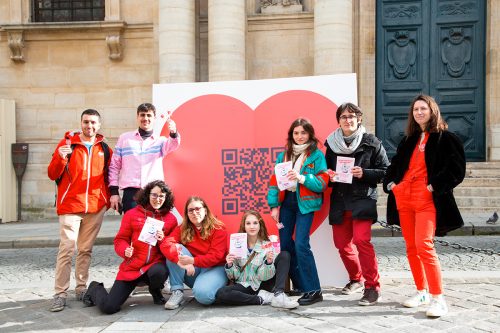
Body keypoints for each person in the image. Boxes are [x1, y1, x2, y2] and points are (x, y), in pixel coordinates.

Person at [383, 94, 466, 317]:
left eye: (423, 108)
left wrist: (433, 186)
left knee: (424, 246)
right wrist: (391, 184)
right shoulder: (408, 139)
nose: (419, 112)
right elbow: (394, 164)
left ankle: (438, 298)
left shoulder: (446, 138)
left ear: (432, 111)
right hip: (404, 198)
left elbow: (457, 171)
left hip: (427, 199)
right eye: (416, 109)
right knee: (411, 247)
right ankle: (422, 292)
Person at [47, 109, 113, 312]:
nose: (89, 126)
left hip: (95, 207)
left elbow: (109, 177)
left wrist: (106, 200)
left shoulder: (104, 148)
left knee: (85, 250)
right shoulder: (67, 144)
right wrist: (60, 158)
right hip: (70, 206)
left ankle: (81, 288)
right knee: (66, 249)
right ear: (81, 123)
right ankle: (60, 293)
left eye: (93, 122)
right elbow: (52, 174)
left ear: (99, 125)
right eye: (86, 122)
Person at [324, 103, 389, 306]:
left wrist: (365, 173)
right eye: (343, 116)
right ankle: (356, 279)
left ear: (359, 119)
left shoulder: (372, 142)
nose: (348, 120)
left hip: (362, 199)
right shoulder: (331, 144)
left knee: (362, 241)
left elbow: (386, 171)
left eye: (352, 116)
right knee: (342, 245)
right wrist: (329, 176)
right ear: (339, 120)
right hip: (340, 200)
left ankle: (372, 287)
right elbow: (325, 170)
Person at [81, 180, 177, 314]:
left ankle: (155, 290)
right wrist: (125, 250)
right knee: (109, 307)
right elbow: (120, 240)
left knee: (160, 272)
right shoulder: (132, 214)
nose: (158, 199)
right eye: (154, 195)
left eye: (162, 196)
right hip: (132, 266)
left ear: (166, 198)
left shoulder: (171, 219)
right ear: (147, 195)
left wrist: (163, 239)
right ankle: (94, 288)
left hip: (154, 265)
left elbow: (173, 244)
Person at [267, 118, 329, 305]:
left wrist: (302, 177)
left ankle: (314, 290)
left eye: (303, 132)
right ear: (291, 135)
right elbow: (274, 182)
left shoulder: (317, 155)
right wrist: (274, 206)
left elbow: (322, 184)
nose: (300, 136)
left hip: (306, 205)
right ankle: (301, 286)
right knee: (285, 245)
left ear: (309, 134)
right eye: (296, 133)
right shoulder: (283, 156)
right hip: (287, 204)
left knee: (301, 244)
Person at [215, 210, 299, 309]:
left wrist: (268, 262)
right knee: (221, 293)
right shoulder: (237, 245)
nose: (252, 226)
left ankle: (279, 294)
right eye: (248, 223)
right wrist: (229, 265)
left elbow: (264, 276)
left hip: (263, 283)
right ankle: (261, 299)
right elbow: (234, 276)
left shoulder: (267, 244)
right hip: (244, 284)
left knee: (285, 255)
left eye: (255, 223)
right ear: (244, 226)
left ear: (260, 225)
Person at [108, 103, 180, 214]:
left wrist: (173, 132)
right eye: (142, 115)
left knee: (153, 227)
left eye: (149, 115)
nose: (145, 118)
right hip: (131, 194)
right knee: (132, 228)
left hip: (154, 192)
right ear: (137, 117)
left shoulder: (160, 141)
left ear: (154, 118)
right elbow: (114, 167)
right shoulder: (124, 139)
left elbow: (173, 145)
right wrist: (114, 193)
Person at [161, 196, 228, 309]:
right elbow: (166, 244)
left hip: (215, 268)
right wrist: (180, 261)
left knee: (203, 296)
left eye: (198, 209)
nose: (194, 212)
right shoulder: (183, 228)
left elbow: (216, 256)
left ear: (205, 210)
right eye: (190, 210)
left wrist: (192, 261)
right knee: (175, 249)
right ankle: (177, 291)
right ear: (187, 214)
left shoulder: (218, 228)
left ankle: (213, 288)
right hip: (193, 270)